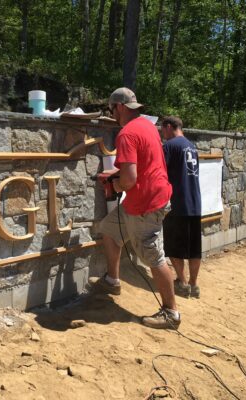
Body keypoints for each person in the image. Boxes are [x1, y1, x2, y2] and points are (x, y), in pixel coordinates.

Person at [90, 87, 180, 330]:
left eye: (112, 110)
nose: (112, 115)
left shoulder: (127, 134)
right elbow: (141, 164)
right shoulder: (148, 127)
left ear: (119, 107)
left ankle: (171, 313)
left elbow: (129, 180)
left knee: (153, 257)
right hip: (147, 197)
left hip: (146, 204)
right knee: (109, 230)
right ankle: (112, 280)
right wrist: (117, 176)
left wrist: (114, 183)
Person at [161, 116, 202, 298]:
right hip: (195, 203)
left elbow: (160, 171)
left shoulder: (169, 146)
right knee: (194, 247)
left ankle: (183, 283)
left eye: (163, 130)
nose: (162, 134)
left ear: (169, 127)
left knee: (174, 246)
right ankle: (194, 285)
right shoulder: (191, 147)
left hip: (177, 204)